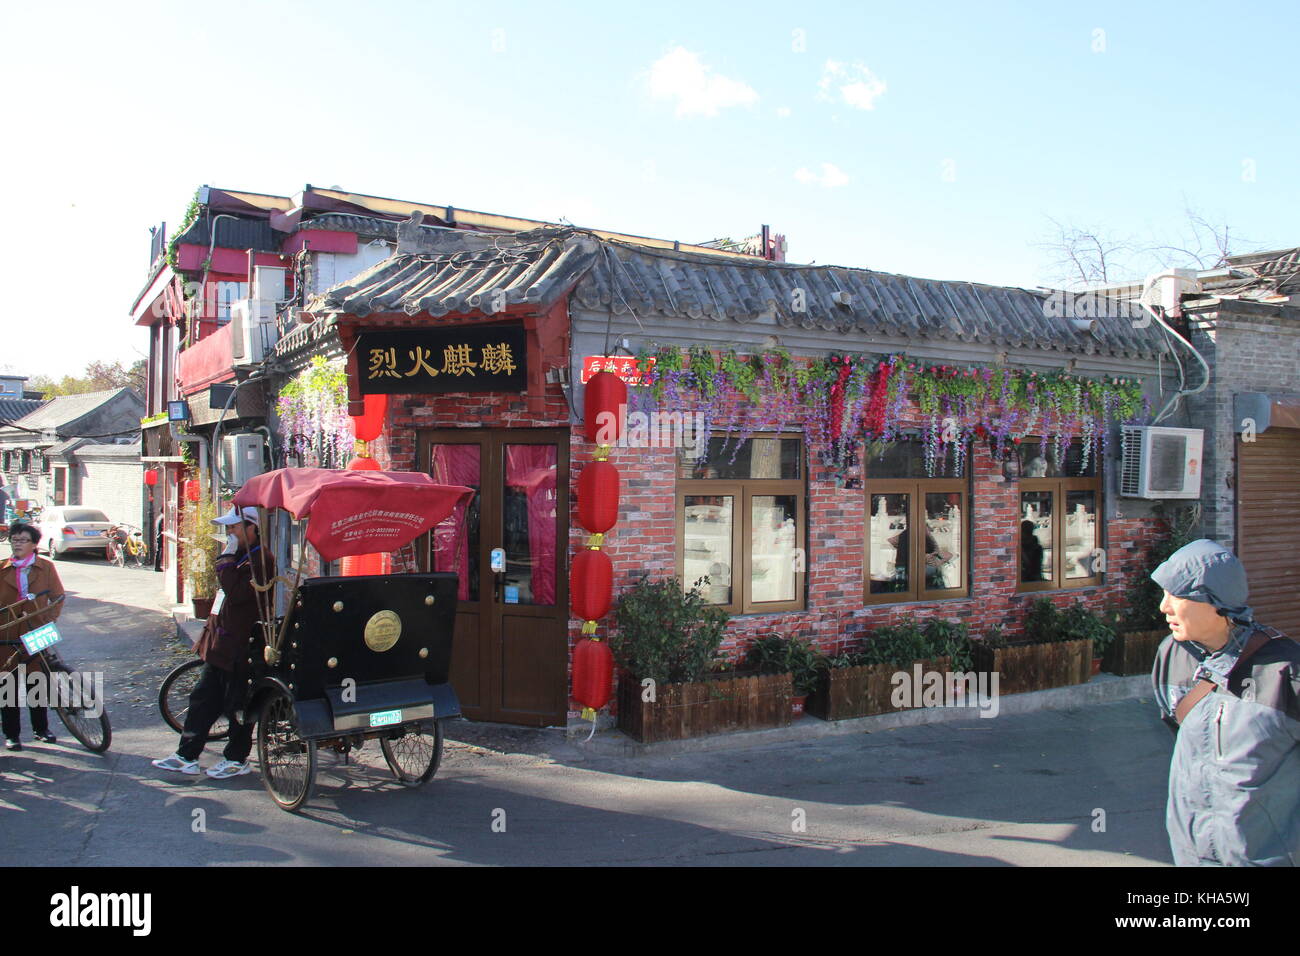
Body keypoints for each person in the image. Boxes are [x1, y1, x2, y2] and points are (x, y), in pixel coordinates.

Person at [1150, 538, 1300, 866]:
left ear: (1216, 602)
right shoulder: (1172, 656)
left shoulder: (1286, 671)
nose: (1164, 607)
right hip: (1191, 856)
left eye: (1176, 595)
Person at [153, 506, 274, 779]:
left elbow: (237, 593)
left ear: (252, 528)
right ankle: (186, 755)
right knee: (203, 699)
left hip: (242, 645)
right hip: (222, 642)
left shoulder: (261, 559)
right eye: (228, 528)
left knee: (238, 706)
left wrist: (227, 558)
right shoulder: (238, 556)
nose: (229, 532)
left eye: (234, 527)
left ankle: (236, 758)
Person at [0, 522, 65, 750]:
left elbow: (58, 596)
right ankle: (12, 735)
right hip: (7, 634)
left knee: (37, 682)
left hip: (38, 631)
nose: (17, 544)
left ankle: (41, 729)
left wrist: (49, 620)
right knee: (7, 685)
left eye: (22, 540)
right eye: (14, 540)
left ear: (34, 544)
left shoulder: (45, 567)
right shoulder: (2, 568)